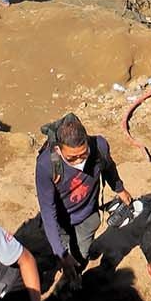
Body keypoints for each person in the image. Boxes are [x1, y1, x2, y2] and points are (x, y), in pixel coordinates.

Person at [36, 112, 131, 280]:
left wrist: (119, 188)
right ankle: (68, 276)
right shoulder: (46, 165)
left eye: (83, 154)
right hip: (61, 220)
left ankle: (76, 275)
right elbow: (48, 211)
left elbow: (108, 167)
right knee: (64, 255)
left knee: (81, 254)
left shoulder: (99, 145)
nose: (80, 161)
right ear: (58, 150)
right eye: (71, 158)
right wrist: (61, 254)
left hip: (88, 214)